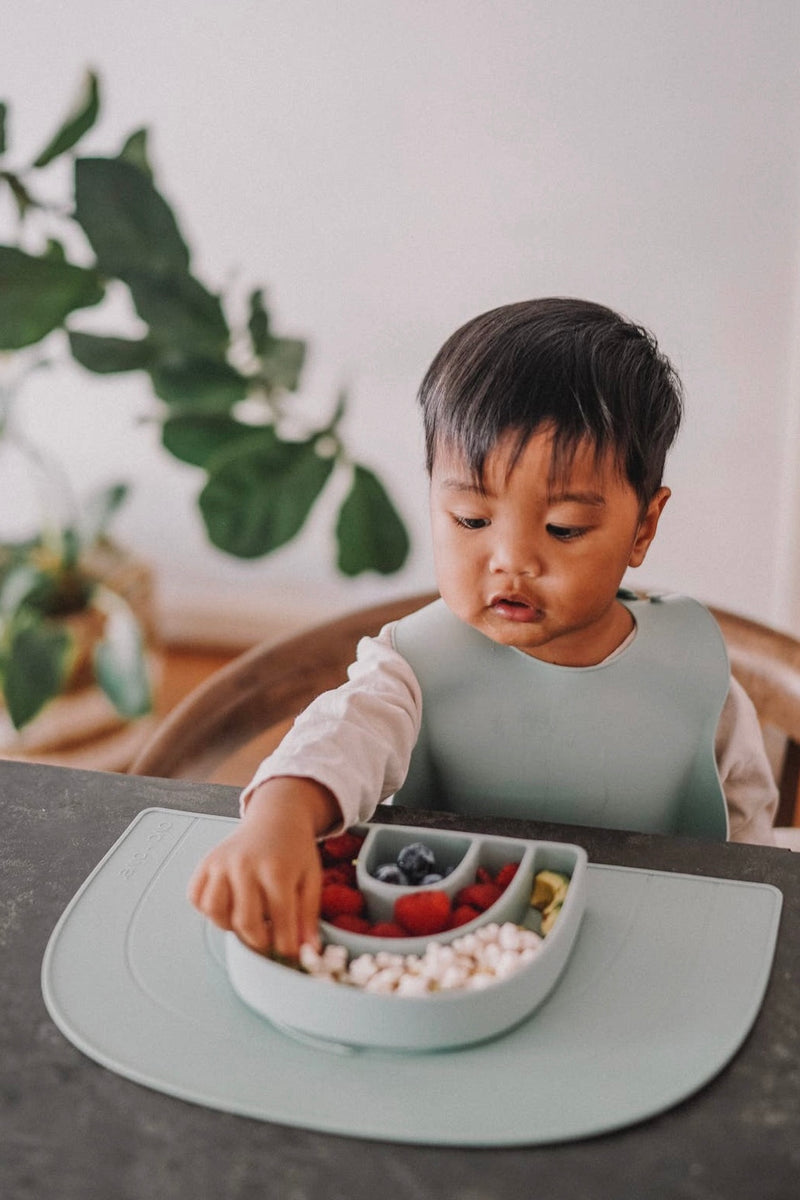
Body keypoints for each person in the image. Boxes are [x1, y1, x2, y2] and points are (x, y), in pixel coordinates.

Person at [188, 298, 778, 958]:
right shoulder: (412, 666)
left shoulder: (692, 669)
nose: (513, 561)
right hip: (451, 952)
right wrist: (282, 815)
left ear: (642, 527)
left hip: (648, 948)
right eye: (471, 518)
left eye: (564, 530)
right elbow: (344, 734)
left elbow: (750, 826)